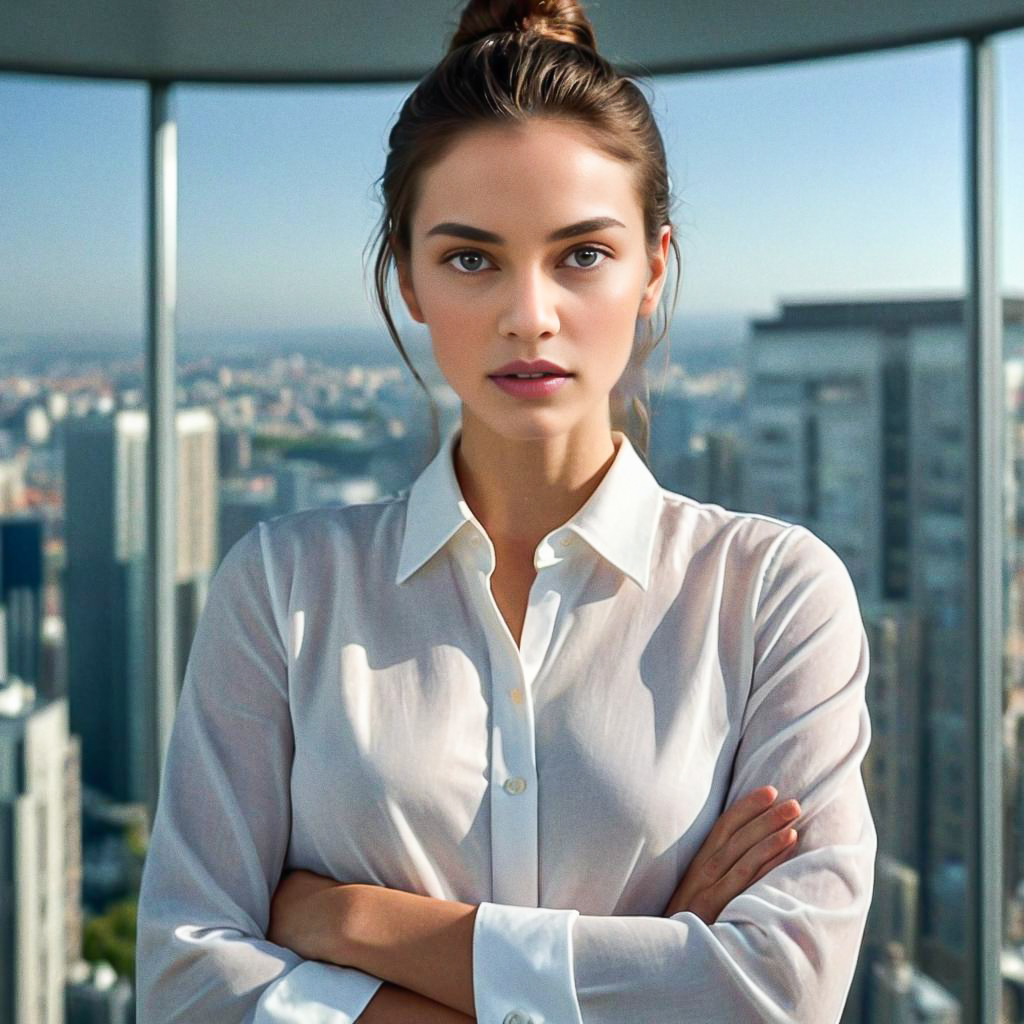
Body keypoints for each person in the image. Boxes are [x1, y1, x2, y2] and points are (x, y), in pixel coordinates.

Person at [134, 0, 877, 1021]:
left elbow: (778, 993)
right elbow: (182, 985)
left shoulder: (771, 596)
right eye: (471, 258)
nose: (529, 314)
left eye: (581, 254)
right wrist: (656, 961)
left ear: (653, 268)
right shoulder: (282, 586)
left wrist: (348, 925)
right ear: (408, 277)